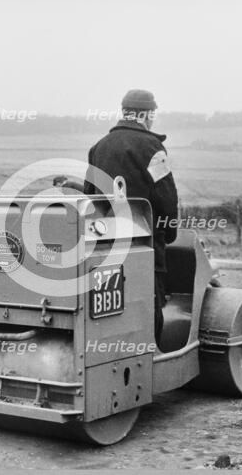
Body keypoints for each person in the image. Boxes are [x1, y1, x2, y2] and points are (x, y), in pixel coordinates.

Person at [83, 89, 178, 345]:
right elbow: (166, 196)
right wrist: (169, 232)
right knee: (150, 300)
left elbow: (89, 195)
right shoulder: (153, 147)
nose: (153, 120)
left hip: (106, 244)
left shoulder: (98, 147)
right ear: (144, 115)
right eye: (153, 115)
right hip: (145, 243)